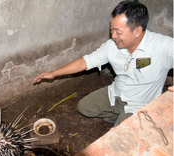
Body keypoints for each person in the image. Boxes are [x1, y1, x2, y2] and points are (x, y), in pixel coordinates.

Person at [33, 0, 173, 126]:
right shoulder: (112, 46)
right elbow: (86, 61)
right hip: (116, 94)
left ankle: (126, 119)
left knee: (119, 140)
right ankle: (116, 115)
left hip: (140, 105)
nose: (113, 36)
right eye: (111, 29)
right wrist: (54, 73)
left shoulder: (161, 46)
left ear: (137, 31)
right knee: (84, 107)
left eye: (118, 31)